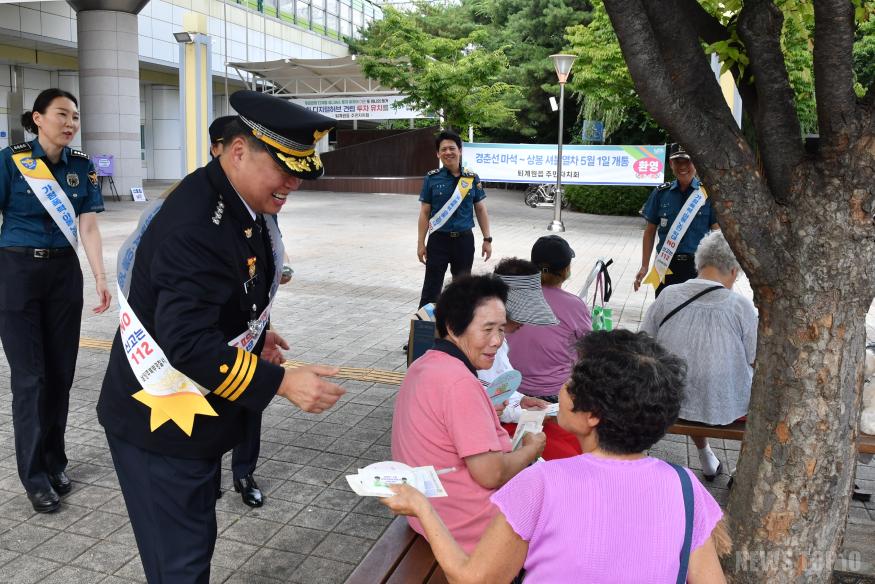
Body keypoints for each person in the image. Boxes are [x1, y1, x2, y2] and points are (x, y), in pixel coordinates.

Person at [97, 90, 346, 582]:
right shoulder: (197, 225)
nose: (294, 182)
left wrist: (255, 335)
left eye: (301, 170)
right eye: (285, 168)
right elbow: (186, 342)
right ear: (238, 152)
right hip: (160, 426)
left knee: (191, 549)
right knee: (181, 564)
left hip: (192, 412)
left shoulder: (235, 202)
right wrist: (281, 383)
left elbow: (229, 291)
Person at [382, 330, 729, 584]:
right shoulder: (685, 486)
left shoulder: (540, 483)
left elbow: (473, 579)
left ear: (592, 415)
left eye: (571, 382)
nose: (561, 389)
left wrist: (421, 507)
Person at [0, 88, 112, 513]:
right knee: (30, 378)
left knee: (61, 373)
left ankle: (54, 460)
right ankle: (34, 477)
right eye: (62, 115)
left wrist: (100, 276)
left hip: (64, 274)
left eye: (75, 117)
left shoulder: (81, 167)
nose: (70, 123)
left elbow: (88, 227)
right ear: (38, 118)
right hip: (15, 272)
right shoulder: (11, 161)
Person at [392, 274, 546, 553]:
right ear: (453, 327)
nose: (497, 341)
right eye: (487, 329)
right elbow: (491, 474)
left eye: (501, 329)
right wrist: (531, 450)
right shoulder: (460, 383)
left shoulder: (424, 365)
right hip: (468, 527)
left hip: (432, 512)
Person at [208, 114, 293, 507]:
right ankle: (206, 468)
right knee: (208, 389)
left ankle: (244, 471)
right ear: (221, 150)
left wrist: (282, 267)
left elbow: (272, 238)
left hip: (254, 311)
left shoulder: (260, 196)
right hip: (213, 318)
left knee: (250, 392)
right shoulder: (200, 202)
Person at [640, 231, 757, 480]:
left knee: (687, 373)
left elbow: (643, 343)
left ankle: (705, 454)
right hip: (727, 406)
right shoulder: (740, 306)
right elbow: (756, 357)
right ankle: (742, 467)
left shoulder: (668, 295)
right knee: (751, 382)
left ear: (699, 262)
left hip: (672, 400)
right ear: (735, 270)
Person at [478, 258, 582, 460]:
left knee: (572, 440)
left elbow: (499, 388)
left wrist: (521, 401)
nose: (524, 324)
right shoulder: (481, 346)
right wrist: (516, 409)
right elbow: (487, 398)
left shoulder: (499, 342)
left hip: (505, 417)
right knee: (565, 452)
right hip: (490, 429)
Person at [507, 235, 591, 401]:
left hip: (511, 391)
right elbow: (589, 351)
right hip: (554, 394)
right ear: (566, 269)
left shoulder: (509, 296)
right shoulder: (575, 306)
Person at [416, 130, 492, 309]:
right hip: (438, 241)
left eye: (452, 148)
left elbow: (480, 209)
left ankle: (459, 328)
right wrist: (421, 243)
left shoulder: (471, 178)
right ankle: (424, 331)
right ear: (438, 153)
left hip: (464, 241)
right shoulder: (431, 178)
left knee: (463, 288)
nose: (448, 152)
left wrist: (487, 239)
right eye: (443, 149)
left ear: (460, 150)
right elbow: (425, 212)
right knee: (431, 289)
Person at [635, 144, 720, 297]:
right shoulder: (660, 193)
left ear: (695, 163)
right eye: (678, 161)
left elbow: (717, 233)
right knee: (665, 312)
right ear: (670, 163)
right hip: (666, 264)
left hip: (698, 266)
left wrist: (718, 268)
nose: (683, 166)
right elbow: (649, 232)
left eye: (687, 161)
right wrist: (644, 266)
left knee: (696, 313)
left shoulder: (706, 195)